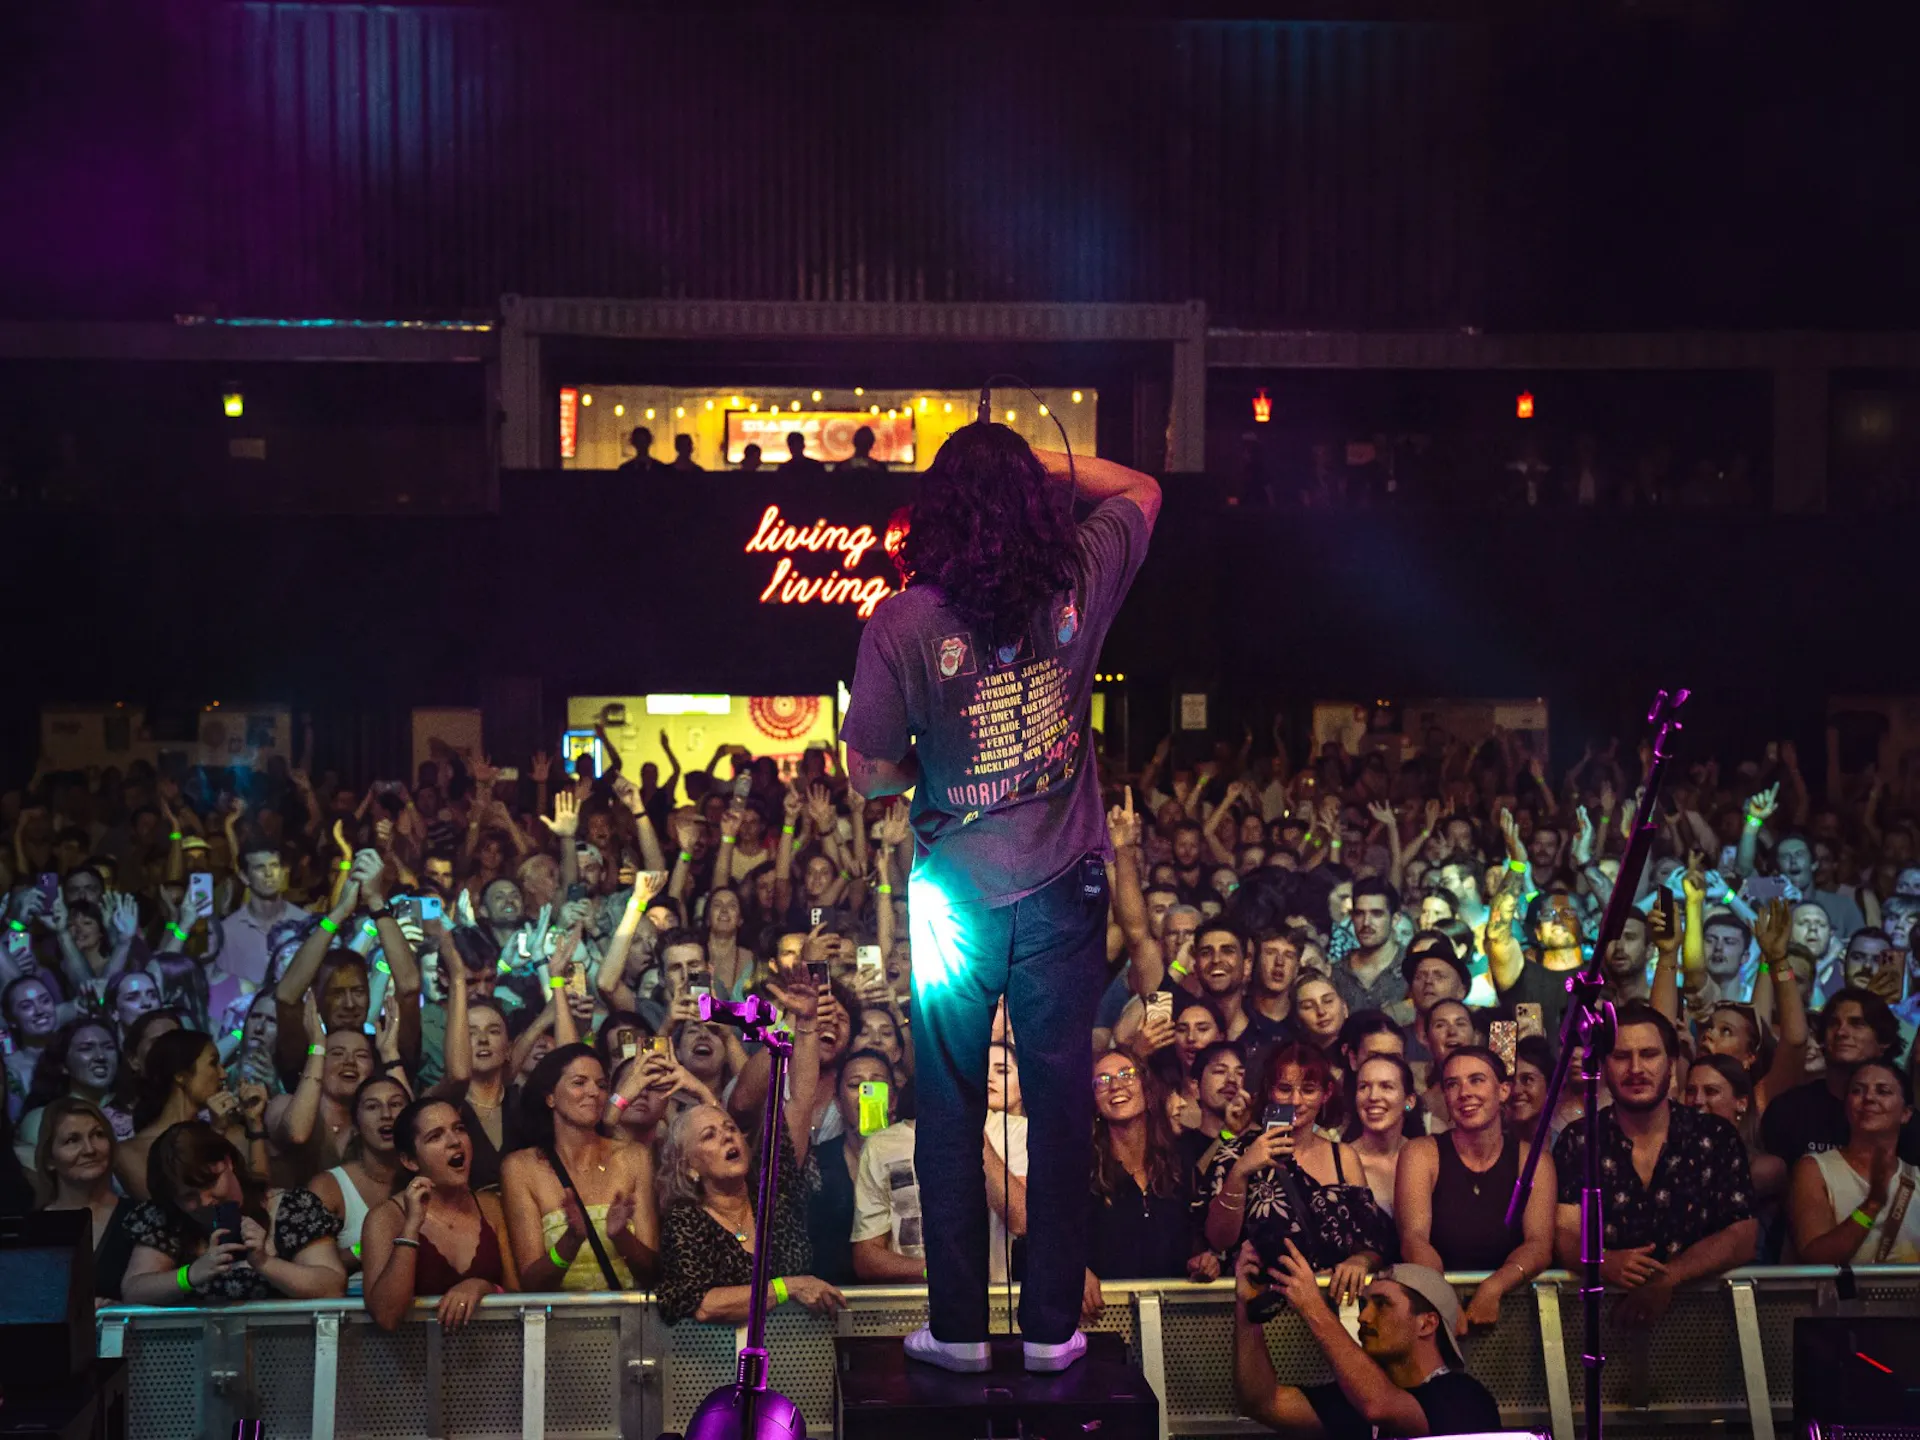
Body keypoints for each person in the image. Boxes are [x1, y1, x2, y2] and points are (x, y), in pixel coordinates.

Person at [841, 424, 1159, 1373]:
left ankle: (960, 1332)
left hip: (956, 903)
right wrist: (1040, 475)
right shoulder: (1076, 585)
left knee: (948, 1104)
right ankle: (1055, 1328)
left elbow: (868, 777)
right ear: (1037, 502)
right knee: (1060, 1099)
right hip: (1068, 888)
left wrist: (936, 762)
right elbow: (1140, 486)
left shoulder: (901, 624)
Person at [1551, 1002, 1757, 1326]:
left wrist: (1669, 1276)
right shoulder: (1580, 1139)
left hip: (1706, 1325)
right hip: (1601, 1325)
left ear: (1672, 1065)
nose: (1636, 1068)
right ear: (1604, 1066)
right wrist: (1604, 1262)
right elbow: (1564, 1231)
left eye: (1649, 1054)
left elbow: (1742, 1235)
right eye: (1621, 1056)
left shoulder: (1715, 1136)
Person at [1233, 1241, 1501, 1439]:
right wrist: (1248, 1309)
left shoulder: (1466, 1398)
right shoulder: (1356, 1397)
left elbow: (1380, 1407)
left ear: (1426, 1323)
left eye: (1382, 1305)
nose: (1363, 1317)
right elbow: (1263, 1403)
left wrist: (1312, 1306)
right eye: (1363, 1304)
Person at [1204, 1041, 1395, 1304]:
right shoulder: (1235, 1153)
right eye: (1285, 1089)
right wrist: (1240, 1172)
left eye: (1308, 1090)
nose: (1296, 1101)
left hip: (1330, 1306)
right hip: (1257, 1307)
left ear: (1326, 1094)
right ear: (1270, 1091)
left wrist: (1359, 1261)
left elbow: (1373, 1243)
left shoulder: (1343, 1157)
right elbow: (1218, 1241)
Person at [1396, 1048, 1555, 1329]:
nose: (1464, 1092)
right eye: (1452, 1084)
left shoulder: (1534, 1161)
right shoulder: (1421, 1153)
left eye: (1476, 1080)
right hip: (1433, 1311)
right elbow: (1414, 1238)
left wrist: (1494, 1287)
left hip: (1514, 1311)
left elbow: (1539, 1244)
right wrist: (1443, 1297)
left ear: (1503, 1090)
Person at [118, 1120, 346, 1303]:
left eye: (210, 1183)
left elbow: (331, 1285)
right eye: (189, 1196)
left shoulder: (292, 1207)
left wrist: (265, 1263)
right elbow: (134, 1289)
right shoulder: (164, 1217)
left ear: (228, 1162)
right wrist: (189, 1276)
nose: (205, 1201)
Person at [500, 1044, 659, 1290]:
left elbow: (653, 1273)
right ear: (550, 1096)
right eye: (579, 1083)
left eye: (601, 1085)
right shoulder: (521, 1168)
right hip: (559, 1324)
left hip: (629, 1321)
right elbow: (531, 1282)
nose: (594, 1092)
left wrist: (621, 1237)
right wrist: (570, 1241)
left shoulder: (633, 1157)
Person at [360, 1096, 519, 1332]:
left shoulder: (491, 1206)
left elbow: (518, 1294)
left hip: (493, 1361)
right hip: (415, 1362)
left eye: (459, 1129)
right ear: (410, 1161)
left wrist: (482, 1286)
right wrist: (412, 1226)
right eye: (436, 1136)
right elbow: (386, 1315)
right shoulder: (385, 1218)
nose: (454, 1141)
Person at [1083, 1050, 1213, 1322]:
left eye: (1126, 1075)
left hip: (1176, 1319)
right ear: (1093, 1101)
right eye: (1102, 1080)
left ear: (1146, 1086)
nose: (1116, 1085)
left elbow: (1196, 1242)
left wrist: (1202, 1260)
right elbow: (1052, 1238)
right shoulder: (1082, 1168)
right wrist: (1074, 1269)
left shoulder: (1179, 1162)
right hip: (1105, 1318)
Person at [1762, 987, 1919, 1166]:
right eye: (1833, 1023)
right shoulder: (1788, 1109)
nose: (1841, 1032)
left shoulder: (1902, 1118)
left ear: (1883, 1040)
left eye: (1857, 1023)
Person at [1786, 1058, 1919, 1262]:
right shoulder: (1815, 1169)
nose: (1869, 1098)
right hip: (1844, 1294)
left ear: (1906, 1113)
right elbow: (1817, 1257)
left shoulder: (1917, 1179)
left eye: (1883, 1091)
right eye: (1857, 1091)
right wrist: (1871, 1206)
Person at [804, 1048, 894, 1286]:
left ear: (893, 1099)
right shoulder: (817, 1160)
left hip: (898, 1298)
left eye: (878, 1085)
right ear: (838, 1101)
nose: (866, 1094)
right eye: (855, 1085)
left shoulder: (915, 1157)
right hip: (830, 1301)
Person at [34, 1096, 138, 1300]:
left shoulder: (141, 1217)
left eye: (98, 1135)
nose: (90, 1149)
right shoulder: (33, 1229)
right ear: (49, 1160)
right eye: (72, 1140)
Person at [309, 1074, 409, 1286]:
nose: (386, 1114)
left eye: (396, 1104)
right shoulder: (329, 1186)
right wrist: (367, 1246)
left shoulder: (429, 1178)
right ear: (355, 1124)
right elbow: (311, 1270)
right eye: (373, 1107)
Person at [1347, 1053, 1421, 1216]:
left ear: (1409, 1101)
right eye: (1363, 1087)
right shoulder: (1340, 1162)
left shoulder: (1427, 1158)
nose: (1373, 1096)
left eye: (1386, 1086)